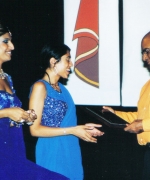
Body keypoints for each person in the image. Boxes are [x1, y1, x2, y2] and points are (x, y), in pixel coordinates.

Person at [0, 22, 69, 180]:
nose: (12, 46)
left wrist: (23, 117)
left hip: (13, 147)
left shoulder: (7, 78)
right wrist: (6, 112)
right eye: (5, 41)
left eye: (11, 41)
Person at [28, 43, 104, 180]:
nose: (71, 64)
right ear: (53, 62)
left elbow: (66, 123)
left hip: (70, 151)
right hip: (52, 152)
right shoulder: (40, 87)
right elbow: (35, 129)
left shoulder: (63, 89)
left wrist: (83, 129)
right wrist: (72, 130)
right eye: (67, 59)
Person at [103, 32, 150, 180]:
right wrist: (114, 113)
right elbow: (139, 117)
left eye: (147, 52)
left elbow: (142, 122)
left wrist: (143, 125)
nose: (144, 58)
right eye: (143, 53)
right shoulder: (146, 87)